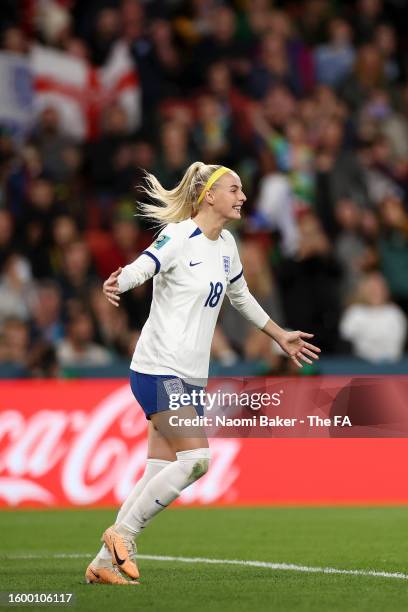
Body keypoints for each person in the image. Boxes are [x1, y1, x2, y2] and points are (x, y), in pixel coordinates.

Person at [85, 162, 320, 585]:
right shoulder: (178, 236)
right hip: (159, 367)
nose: (243, 196)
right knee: (197, 460)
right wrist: (119, 282)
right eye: (235, 189)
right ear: (209, 195)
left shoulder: (226, 244)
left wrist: (278, 334)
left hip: (191, 375)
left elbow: (241, 296)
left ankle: (103, 564)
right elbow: (145, 264)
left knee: (158, 471)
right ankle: (122, 534)